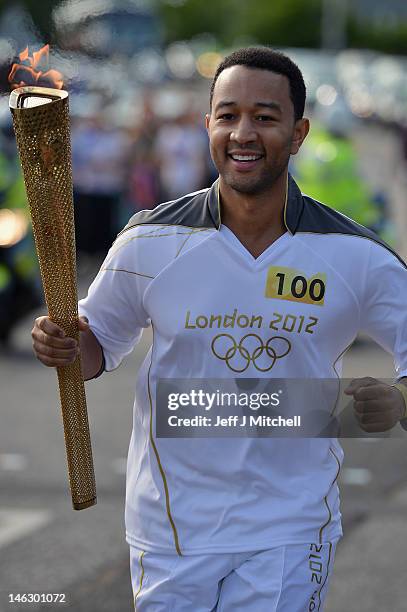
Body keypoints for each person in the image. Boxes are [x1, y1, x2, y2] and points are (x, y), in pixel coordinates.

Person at [31, 47, 407, 611]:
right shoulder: (148, 242)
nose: (243, 133)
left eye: (265, 116)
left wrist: (398, 401)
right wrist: (62, 343)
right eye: (228, 115)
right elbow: (95, 346)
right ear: (208, 125)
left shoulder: (353, 256)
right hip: (170, 529)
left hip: (289, 528)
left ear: (298, 131)